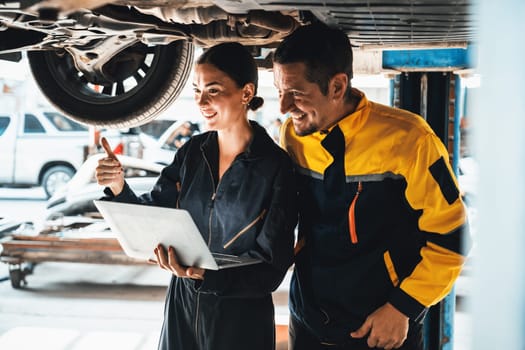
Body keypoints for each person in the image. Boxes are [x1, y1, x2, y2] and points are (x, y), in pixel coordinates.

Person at [273, 23, 470, 350]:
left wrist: (403, 307)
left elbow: (453, 238)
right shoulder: (294, 134)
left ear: (337, 86)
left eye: (296, 94)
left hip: (380, 328)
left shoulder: (410, 141)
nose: (283, 107)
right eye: (280, 91)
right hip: (308, 320)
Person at [96, 42, 298, 350]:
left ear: (246, 93)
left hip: (240, 316)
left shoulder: (275, 167)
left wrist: (209, 277)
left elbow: (271, 269)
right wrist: (119, 187)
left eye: (213, 90)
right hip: (183, 304)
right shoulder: (192, 152)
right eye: (196, 90)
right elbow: (155, 215)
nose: (201, 101)